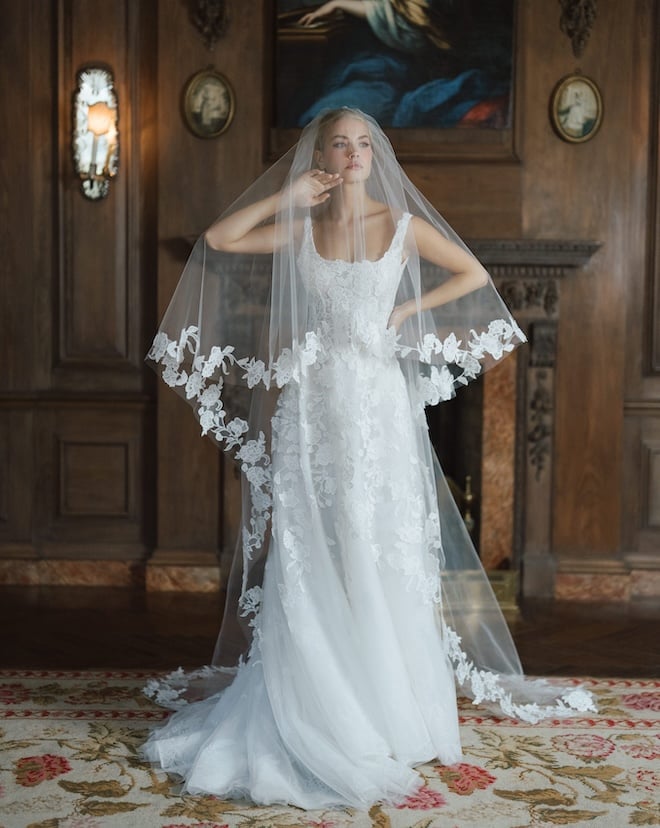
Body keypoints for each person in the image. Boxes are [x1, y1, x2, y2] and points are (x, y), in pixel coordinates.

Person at [142, 107, 595, 809]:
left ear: (373, 155)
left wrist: (409, 315)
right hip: (312, 407)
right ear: (319, 154)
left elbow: (473, 274)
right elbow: (217, 238)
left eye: (361, 143)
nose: (352, 153)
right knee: (310, 545)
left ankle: (385, 705)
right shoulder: (303, 222)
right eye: (338, 144)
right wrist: (286, 196)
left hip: (378, 406)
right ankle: (315, 700)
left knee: (375, 541)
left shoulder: (402, 225)